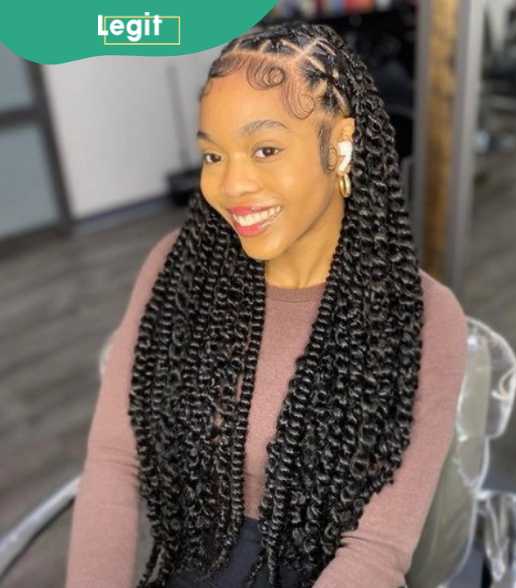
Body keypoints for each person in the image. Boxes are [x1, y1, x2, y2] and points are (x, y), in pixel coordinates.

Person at [65, 22, 467, 587]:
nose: (232, 186)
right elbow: (115, 461)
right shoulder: (176, 269)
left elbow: (376, 550)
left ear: (342, 145)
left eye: (266, 148)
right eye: (213, 157)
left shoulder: (422, 317)